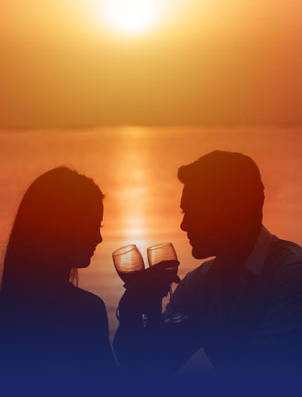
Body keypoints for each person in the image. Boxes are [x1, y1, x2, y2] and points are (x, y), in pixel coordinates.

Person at [113, 151, 302, 386]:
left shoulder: (291, 273)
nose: (184, 224)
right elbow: (148, 368)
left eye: (194, 210)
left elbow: (262, 372)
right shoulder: (198, 285)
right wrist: (137, 309)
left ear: (234, 209)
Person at [0, 167, 116, 389]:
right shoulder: (86, 310)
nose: (99, 237)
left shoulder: (8, 308)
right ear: (63, 228)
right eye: (92, 225)